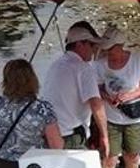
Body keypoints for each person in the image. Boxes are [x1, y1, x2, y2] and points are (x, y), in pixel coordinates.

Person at [94, 27, 140, 168]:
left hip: (133, 116)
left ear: (121, 45)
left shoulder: (136, 61)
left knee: (133, 155)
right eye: (106, 48)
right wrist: (107, 97)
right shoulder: (100, 64)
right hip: (111, 117)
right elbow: (99, 87)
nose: (108, 52)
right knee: (110, 156)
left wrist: (131, 95)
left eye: (112, 48)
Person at [43, 22, 109, 157]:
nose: (94, 50)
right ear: (80, 44)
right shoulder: (83, 68)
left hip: (49, 135)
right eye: (92, 45)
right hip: (70, 137)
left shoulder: (55, 65)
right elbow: (96, 104)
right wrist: (104, 137)